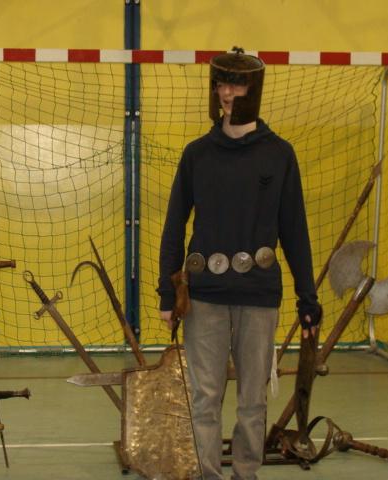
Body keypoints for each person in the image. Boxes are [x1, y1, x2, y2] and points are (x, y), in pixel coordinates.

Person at [157, 48, 321, 480]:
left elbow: (295, 230)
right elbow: (174, 225)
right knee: (205, 398)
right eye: (221, 84)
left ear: (254, 90)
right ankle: (208, 474)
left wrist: (308, 297)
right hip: (205, 298)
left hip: (258, 296)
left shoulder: (279, 154)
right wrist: (166, 293)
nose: (227, 93)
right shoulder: (197, 155)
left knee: (253, 400)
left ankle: (245, 474)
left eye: (237, 84)